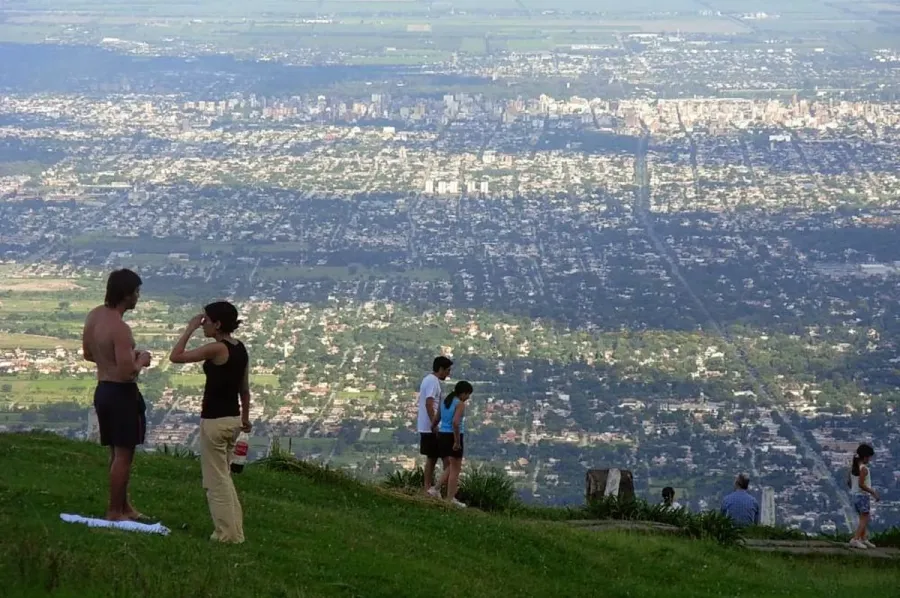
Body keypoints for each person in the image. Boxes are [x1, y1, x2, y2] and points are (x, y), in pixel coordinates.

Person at [169, 301, 251, 544]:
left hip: (215, 421)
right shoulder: (240, 348)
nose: (203, 323)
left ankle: (226, 534)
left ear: (217, 324)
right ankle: (235, 531)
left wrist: (189, 329)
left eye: (206, 319)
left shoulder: (217, 349)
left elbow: (176, 356)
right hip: (233, 419)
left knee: (216, 481)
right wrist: (245, 418)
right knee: (224, 476)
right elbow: (244, 389)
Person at [82, 268, 152, 522]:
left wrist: (111, 362)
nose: (138, 297)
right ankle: (114, 511)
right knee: (124, 455)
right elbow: (126, 373)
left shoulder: (95, 316)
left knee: (116, 452)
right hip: (121, 394)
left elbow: (88, 353)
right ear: (126, 295)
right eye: (136, 292)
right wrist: (141, 360)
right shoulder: (120, 329)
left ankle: (124, 507)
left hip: (103, 390)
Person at [418, 356, 452, 497]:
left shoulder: (428, 380)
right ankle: (442, 490)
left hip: (425, 426)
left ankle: (429, 488)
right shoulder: (432, 382)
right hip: (430, 427)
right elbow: (429, 403)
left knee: (432, 458)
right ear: (441, 369)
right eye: (447, 370)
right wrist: (434, 424)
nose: (448, 374)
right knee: (447, 459)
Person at [436, 381, 474, 508]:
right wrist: (457, 441)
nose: (468, 397)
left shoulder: (445, 401)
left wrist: (433, 428)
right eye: (468, 394)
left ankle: (435, 489)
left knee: (449, 467)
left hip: (442, 434)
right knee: (455, 470)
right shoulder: (460, 404)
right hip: (454, 436)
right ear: (463, 393)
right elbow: (456, 423)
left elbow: (437, 418)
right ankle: (450, 498)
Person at [847, 443, 879, 550]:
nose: (869, 459)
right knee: (865, 518)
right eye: (869, 457)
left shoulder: (853, 468)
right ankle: (855, 539)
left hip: (854, 495)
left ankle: (863, 538)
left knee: (862, 517)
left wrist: (854, 489)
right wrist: (872, 492)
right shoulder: (864, 469)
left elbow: (849, 482)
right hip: (862, 496)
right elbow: (862, 484)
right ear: (865, 457)